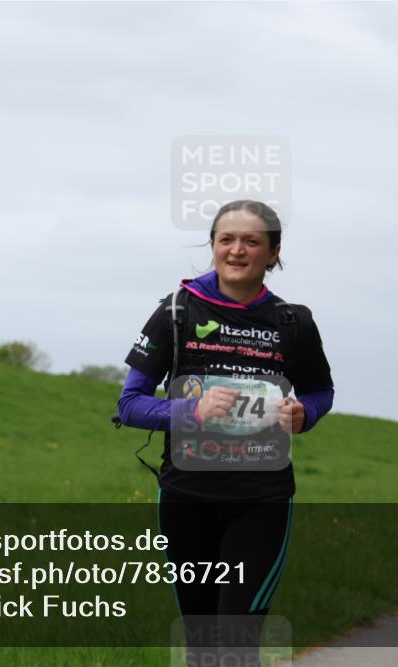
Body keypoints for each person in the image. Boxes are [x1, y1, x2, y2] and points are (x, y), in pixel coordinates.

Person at [117, 200, 334, 663]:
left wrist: (305, 414)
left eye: (251, 241)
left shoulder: (293, 322)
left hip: (261, 498)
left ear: (273, 253)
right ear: (213, 247)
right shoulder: (175, 311)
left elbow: (320, 391)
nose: (237, 250)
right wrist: (190, 411)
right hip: (186, 496)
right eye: (226, 240)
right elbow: (130, 405)